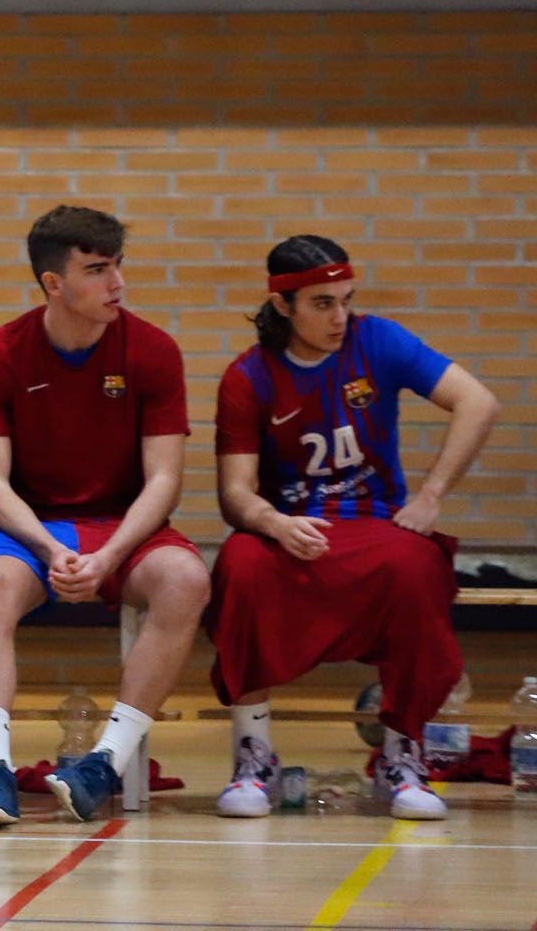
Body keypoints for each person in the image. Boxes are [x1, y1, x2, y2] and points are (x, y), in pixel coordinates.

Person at [207, 234, 499, 822]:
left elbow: (478, 403)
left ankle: (402, 753)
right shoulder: (249, 376)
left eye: (347, 299)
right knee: (240, 564)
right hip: (291, 530)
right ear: (283, 306)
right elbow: (234, 493)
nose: (340, 316)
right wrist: (275, 522)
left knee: (418, 566)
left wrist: (431, 495)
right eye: (322, 303)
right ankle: (253, 754)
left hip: (373, 525)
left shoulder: (379, 341)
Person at [0, 204, 210, 827]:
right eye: (97, 270)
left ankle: (103, 765)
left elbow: (164, 480)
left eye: (118, 265)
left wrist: (111, 554)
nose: (117, 283)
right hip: (30, 526)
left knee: (187, 580)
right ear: (52, 283)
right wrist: (47, 548)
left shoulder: (152, 351)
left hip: (119, 525)